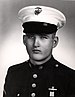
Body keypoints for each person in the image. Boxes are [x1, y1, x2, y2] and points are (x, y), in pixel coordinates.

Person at [3, 5, 75, 97]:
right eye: (31, 37)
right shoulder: (14, 73)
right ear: (24, 40)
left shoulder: (69, 77)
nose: (36, 44)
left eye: (43, 37)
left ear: (54, 42)